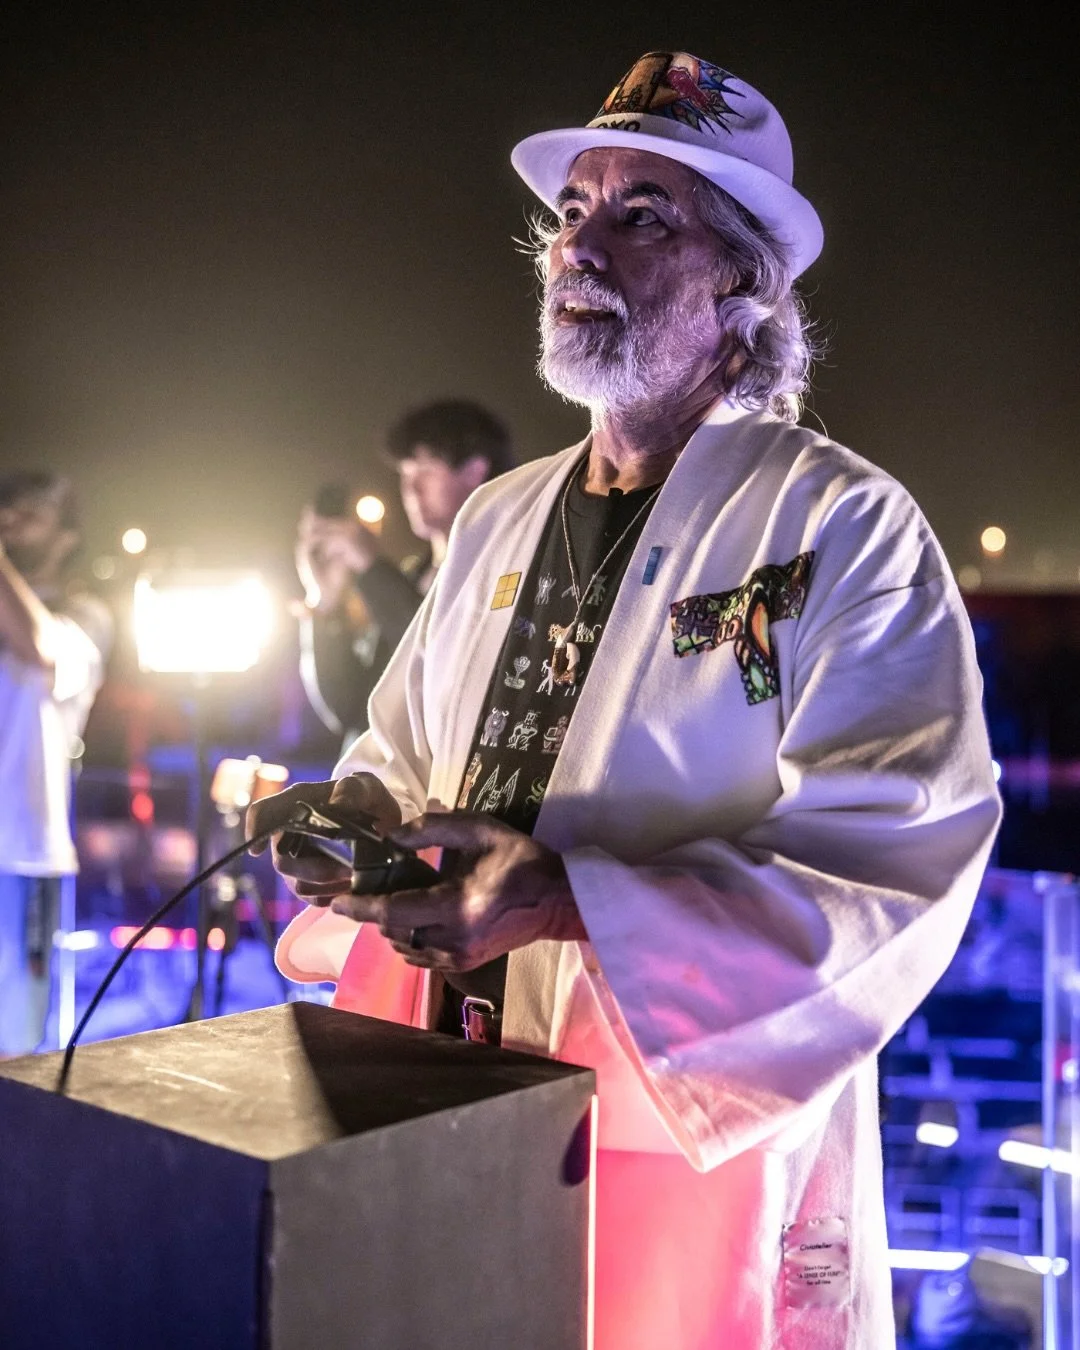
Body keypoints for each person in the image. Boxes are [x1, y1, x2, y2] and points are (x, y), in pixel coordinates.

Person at [250, 51, 1001, 1349]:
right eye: (574, 211)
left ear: (742, 282)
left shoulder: (843, 525)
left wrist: (565, 898)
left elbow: (898, 856)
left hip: (688, 1130)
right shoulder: (498, 514)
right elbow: (404, 746)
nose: (581, 244)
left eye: (641, 216)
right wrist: (364, 819)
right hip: (455, 1093)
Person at [294, 400, 513, 746]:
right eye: (405, 474)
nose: (410, 489)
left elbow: (440, 660)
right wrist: (325, 603)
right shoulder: (411, 576)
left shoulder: (505, 569)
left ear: (475, 470)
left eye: (425, 470)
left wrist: (372, 567)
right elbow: (352, 708)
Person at [0, 472, 112, 1055]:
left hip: (19, 856)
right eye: (7, 506)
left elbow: (38, 648)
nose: (11, 518)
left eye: (31, 512)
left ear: (67, 536)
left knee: (15, 1053)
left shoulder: (85, 615)